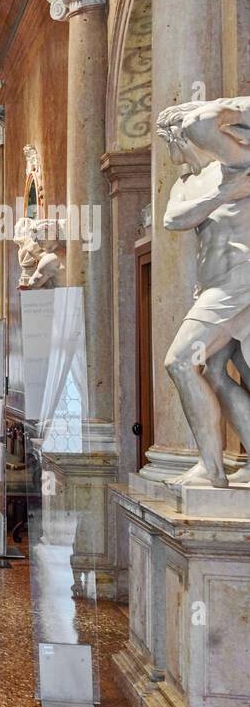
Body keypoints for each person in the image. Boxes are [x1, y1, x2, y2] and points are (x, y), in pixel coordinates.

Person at [157, 98, 250, 487]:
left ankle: (211, 468)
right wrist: (221, 196)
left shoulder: (234, 161)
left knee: (179, 362)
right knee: (216, 371)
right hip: (214, 287)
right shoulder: (190, 183)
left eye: (170, 140)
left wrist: (235, 111)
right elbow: (173, 219)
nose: (171, 152)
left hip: (237, 283)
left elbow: (205, 120)